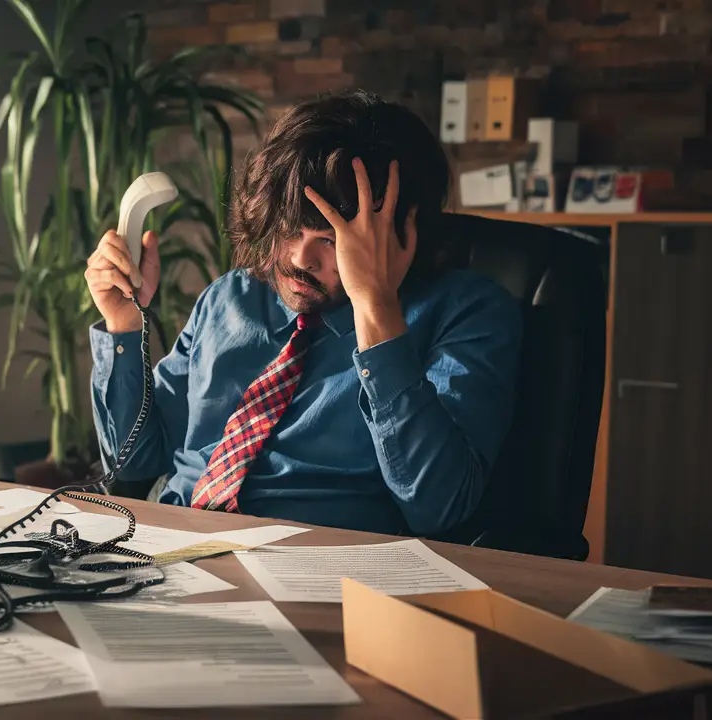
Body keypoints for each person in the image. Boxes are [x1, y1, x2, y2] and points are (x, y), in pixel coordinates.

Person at [84, 89, 522, 536]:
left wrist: (375, 309)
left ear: (398, 233)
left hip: (316, 569)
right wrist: (123, 323)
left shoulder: (467, 313)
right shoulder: (230, 299)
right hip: (174, 543)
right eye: (288, 227)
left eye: (330, 240)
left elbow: (440, 507)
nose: (298, 259)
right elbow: (135, 463)